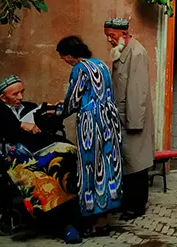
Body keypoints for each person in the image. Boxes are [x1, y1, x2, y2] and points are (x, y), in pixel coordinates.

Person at [0, 75, 82, 243]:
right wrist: (19, 125)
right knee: (41, 176)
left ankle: (80, 216)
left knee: (68, 159)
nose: (20, 97)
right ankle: (61, 224)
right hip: (14, 155)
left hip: (37, 148)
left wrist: (53, 114)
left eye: (21, 92)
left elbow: (47, 128)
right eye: (15, 94)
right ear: (3, 97)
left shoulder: (29, 107)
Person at [54, 36, 123, 235]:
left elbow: (74, 100)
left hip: (92, 124)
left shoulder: (80, 69)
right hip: (109, 120)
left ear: (68, 55)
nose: (63, 60)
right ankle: (104, 218)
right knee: (108, 166)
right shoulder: (100, 64)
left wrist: (57, 111)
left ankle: (93, 220)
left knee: (91, 167)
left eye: (62, 56)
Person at [105, 17, 156, 220]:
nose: (109, 39)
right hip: (122, 118)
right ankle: (126, 203)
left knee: (136, 164)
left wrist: (134, 123)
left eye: (112, 35)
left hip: (132, 118)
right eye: (107, 35)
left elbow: (137, 91)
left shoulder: (137, 53)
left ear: (124, 34)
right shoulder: (121, 51)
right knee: (126, 163)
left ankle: (136, 206)